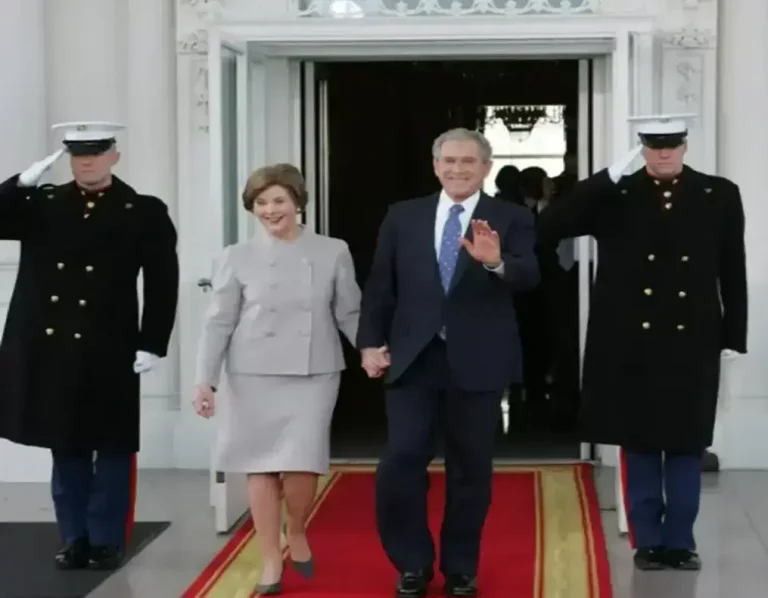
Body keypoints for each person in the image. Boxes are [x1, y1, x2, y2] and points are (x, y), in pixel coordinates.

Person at [538, 114, 747, 571]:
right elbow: (550, 224)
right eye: (654, 146)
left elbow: (733, 266)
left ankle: (681, 541)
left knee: (687, 443)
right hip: (630, 340)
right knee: (640, 442)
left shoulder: (719, 193)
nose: (664, 153)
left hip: (692, 338)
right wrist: (603, 180)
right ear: (641, 149)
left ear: (686, 146)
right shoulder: (618, 194)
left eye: (671, 145)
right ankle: (647, 541)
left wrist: (735, 335)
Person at [358, 128, 539, 597]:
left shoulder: (510, 216)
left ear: (486, 167)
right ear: (435, 165)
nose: (458, 169)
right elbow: (381, 285)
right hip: (413, 359)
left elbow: (531, 275)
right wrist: (368, 343)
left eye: (469, 162)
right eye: (449, 161)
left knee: (470, 468)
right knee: (401, 461)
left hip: (478, 360)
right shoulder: (404, 215)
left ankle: (461, 566)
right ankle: (412, 563)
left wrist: (497, 263)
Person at [0, 121, 179, 570]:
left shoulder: (143, 210)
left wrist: (153, 342)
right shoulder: (42, 204)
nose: (86, 162)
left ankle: (104, 538)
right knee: (66, 444)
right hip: (52, 344)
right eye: (78, 154)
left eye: (96, 153)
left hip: (109, 343)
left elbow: (162, 282)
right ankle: (74, 535)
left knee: (113, 444)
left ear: (114, 155)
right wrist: (19, 184)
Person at [193, 163, 362, 595]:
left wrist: (370, 350)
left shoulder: (332, 250)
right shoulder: (236, 256)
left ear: (298, 202)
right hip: (252, 372)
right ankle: (270, 557)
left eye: (279, 201)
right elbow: (217, 323)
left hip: (314, 370)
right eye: (261, 203)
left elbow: (349, 312)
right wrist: (204, 380)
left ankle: (298, 527)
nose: (270, 210)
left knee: (302, 462)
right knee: (261, 467)